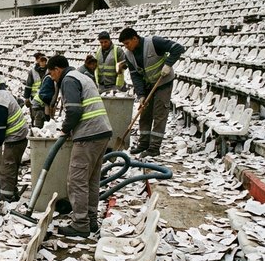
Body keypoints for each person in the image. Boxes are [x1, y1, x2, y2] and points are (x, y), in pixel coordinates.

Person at [46, 55, 112, 238]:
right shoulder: (83, 76)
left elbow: (74, 110)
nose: (52, 78)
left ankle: (80, 224)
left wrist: (65, 129)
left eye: (51, 74)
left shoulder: (68, 80)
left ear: (57, 69)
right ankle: (90, 220)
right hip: (102, 131)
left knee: (76, 181)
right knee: (91, 180)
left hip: (88, 134)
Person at [118, 27, 185, 157]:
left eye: (127, 43)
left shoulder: (153, 42)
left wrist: (168, 64)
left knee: (159, 114)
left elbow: (178, 48)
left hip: (163, 82)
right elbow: (135, 77)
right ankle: (144, 143)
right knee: (144, 113)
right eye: (124, 44)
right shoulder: (129, 55)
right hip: (148, 84)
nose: (126, 47)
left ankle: (154, 147)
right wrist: (141, 95)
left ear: (135, 38)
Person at [24, 53, 47, 128]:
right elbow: (28, 86)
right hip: (35, 99)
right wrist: (27, 98)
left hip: (46, 99)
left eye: (43, 59)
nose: (41, 61)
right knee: (36, 118)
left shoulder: (48, 70)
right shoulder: (32, 72)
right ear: (36, 60)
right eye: (39, 59)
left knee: (46, 119)